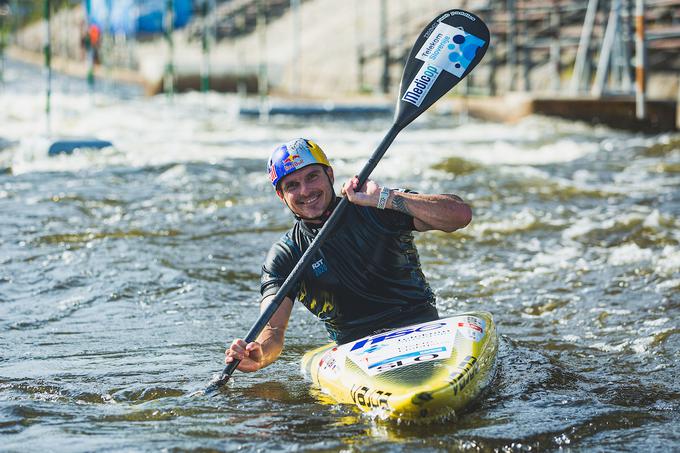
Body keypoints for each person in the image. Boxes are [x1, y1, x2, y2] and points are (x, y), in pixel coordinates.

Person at [225, 138, 472, 372]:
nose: (305, 190)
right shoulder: (286, 255)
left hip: (424, 330)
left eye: (312, 177)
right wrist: (259, 354)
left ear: (330, 175)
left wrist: (386, 198)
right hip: (356, 350)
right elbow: (273, 329)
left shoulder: (376, 206)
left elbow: (459, 216)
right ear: (281, 195)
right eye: (292, 185)